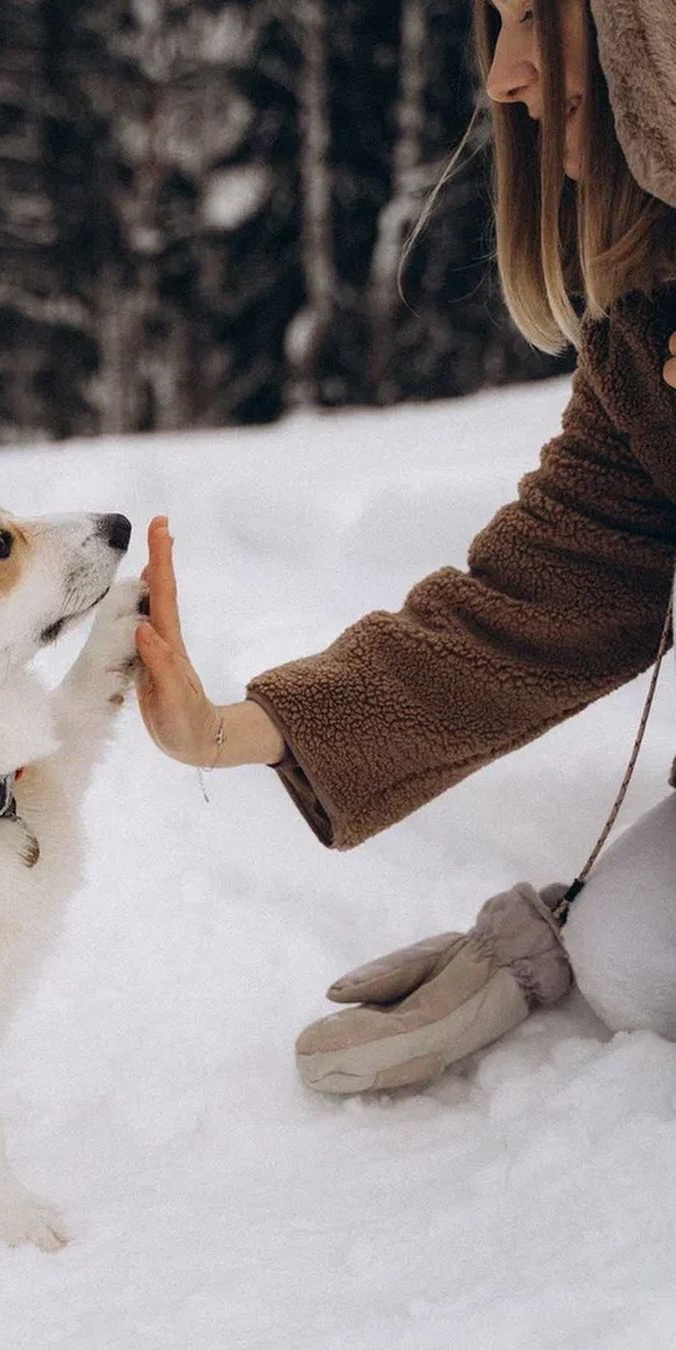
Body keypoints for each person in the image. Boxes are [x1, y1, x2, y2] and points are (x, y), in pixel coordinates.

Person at [134, 0, 676, 1090]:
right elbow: (545, 590)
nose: (506, 76)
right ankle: (549, 943)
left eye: (537, 18)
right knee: (633, 959)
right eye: (498, 25)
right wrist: (229, 731)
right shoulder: (644, 323)